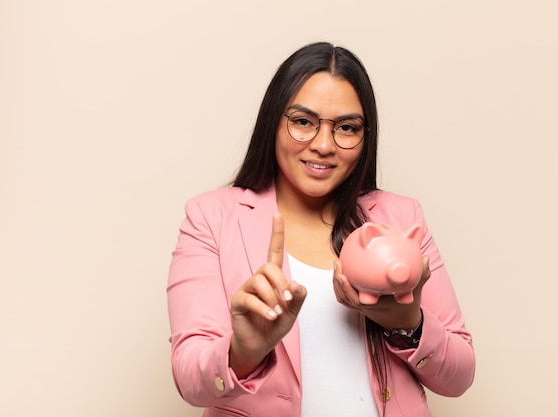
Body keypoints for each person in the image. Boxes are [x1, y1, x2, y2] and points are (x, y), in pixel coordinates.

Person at [167, 42, 475, 417]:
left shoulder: (400, 217)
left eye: (347, 127)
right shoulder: (211, 218)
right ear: (273, 122)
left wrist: (406, 323)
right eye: (303, 122)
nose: (324, 145)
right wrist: (243, 351)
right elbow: (189, 380)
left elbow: (459, 377)